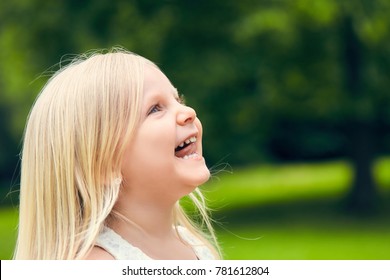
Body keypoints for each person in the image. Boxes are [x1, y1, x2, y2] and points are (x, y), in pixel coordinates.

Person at [13, 48, 221, 260]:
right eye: (155, 109)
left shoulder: (194, 246)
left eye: (178, 100)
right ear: (103, 165)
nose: (188, 112)